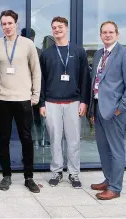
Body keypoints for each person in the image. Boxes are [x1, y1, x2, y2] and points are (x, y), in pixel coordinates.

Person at [0, 10, 41, 193]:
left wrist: (35, 95)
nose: (7, 26)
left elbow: (36, 70)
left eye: (10, 23)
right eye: (3, 24)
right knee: (3, 139)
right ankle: (6, 175)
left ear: (16, 24)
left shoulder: (28, 45)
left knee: (26, 139)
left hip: (23, 100)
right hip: (2, 100)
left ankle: (29, 177)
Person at [39, 16, 91, 189]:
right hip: (52, 102)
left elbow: (85, 78)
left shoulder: (79, 51)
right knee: (54, 139)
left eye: (60, 27)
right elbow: (42, 80)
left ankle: (74, 173)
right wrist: (42, 103)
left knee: (74, 140)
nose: (57, 30)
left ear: (67, 28)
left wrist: (84, 101)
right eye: (54, 27)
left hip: (74, 102)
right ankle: (56, 172)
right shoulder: (46, 53)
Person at [89, 21, 126, 200]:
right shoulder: (98, 55)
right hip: (98, 109)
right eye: (104, 32)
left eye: (111, 32)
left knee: (116, 150)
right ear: (100, 35)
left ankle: (115, 188)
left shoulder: (125, 53)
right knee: (103, 148)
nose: (107, 35)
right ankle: (108, 179)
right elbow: (94, 82)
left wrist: (120, 109)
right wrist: (92, 110)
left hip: (115, 112)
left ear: (117, 34)